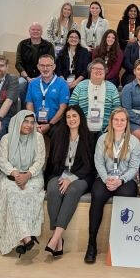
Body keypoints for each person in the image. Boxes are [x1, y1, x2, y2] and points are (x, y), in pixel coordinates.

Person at [0, 110, 46, 257]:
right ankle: (27, 238)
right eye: (26, 121)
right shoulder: (6, 139)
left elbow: (40, 161)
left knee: (28, 193)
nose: (29, 125)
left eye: (32, 122)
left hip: (33, 176)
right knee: (11, 193)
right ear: (18, 122)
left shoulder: (38, 138)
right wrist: (16, 174)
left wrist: (28, 175)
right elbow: (2, 161)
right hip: (10, 176)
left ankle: (24, 238)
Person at [86, 108, 140, 264]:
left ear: (127, 123)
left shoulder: (134, 141)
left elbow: (134, 167)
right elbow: (98, 162)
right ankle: (91, 244)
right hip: (105, 178)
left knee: (127, 197)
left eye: (122, 120)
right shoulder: (103, 139)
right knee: (97, 196)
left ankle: (121, 245)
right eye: (116, 119)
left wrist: (120, 180)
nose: (119, 122)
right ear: (111, 121)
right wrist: (106, 178)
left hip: (125, 180)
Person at [44, 105, 94, 257]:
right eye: (68, 117)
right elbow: (53, 162)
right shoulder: (58, 135)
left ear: (80, 118)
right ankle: (58, 240)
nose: (71, 119)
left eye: (74, 116)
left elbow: (89, 166)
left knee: (71, 191)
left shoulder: (90, 136)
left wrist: (71, 178)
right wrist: (61, 178)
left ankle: (55, 238)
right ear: (65, 120)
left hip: (82, 176)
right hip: (60, 173)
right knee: (53, 189)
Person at [68, 59, 121, 148]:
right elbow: (72, 106)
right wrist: (78, 125)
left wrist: (111, 125)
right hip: (83, 128)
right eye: (95, 68)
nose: (98, 71)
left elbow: (116, 108)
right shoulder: (81, 86)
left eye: (101, 69)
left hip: (105, 129)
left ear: (105, 72)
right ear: (90, 71)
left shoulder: (112, 88)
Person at [25, 54, 70, 137]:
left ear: (54, 67)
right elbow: (29, 105)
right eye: (42, 65)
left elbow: (63, 108)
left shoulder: (62, 84)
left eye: (48, 65)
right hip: (35, 121)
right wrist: (34, 123)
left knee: (59, 133)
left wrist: (49, 125)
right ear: (38, 67)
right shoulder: (33, 83)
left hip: (55, 121)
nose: (45, 69)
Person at [15, 22, 54, 94]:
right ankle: (24, 105)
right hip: (25, 77)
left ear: (42, 32)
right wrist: (27, 78)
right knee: (20, 84)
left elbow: (51, 64)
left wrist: (39, 78)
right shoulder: (22, 44)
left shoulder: (49, 45)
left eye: (38, 30)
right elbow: (18, 64)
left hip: (44, 76)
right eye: (33, 29)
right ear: (29, 31)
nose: (35, 31)